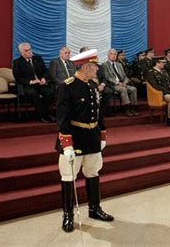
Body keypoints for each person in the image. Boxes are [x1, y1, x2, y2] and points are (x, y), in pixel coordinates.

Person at [55, 49, 114, 233]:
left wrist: (102, 133)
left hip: (92, 137)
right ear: (86, 67)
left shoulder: (92, 84)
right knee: (68, 176)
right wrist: (67, 145)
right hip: (75, 138)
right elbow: (62, 117)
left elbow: (98, 112)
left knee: (93, 172)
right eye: (95, 68)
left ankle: (95, 208)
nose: (97, 71)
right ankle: (68, 216)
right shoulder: (68, 86)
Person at [12, 42, 54, 123]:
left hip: (40, 84)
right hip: (28, 85)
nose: (29, 52)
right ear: (21, 53)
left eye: (30, 49)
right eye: (26, 50)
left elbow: (46, 71)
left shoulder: (38, 59)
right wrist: (31, 81)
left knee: (50, 93)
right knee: (33, 94)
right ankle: (44, 116)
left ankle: (42, 113)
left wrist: (44, 78)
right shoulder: (17, 62)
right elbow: (18, 78)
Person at [102, 49, 139, 117]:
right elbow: (107, 77)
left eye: (115, 54)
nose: (113, 56)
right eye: (111, 54)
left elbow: (125, 76)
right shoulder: (104, 65)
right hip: (113, 85)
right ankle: (126, 108)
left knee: (133, 89)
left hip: (123, 83)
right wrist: (117, 83)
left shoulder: (119, 64)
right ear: (108, 55)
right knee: (123, 89)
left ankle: (132, 108)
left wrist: (125, 82)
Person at [80, 47, 114, 116]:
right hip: (89, 85)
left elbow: (104, 77)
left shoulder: (99, 66)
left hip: (100, 85)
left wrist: (102, 85)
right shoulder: (81, 66)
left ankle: (103, 110)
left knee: (108, 91)